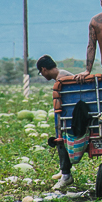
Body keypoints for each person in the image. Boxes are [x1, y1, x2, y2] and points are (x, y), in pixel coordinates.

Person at [36, 55, 77, 191]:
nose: (42, 75)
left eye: (41, 72)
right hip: (72, 114)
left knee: (60, 137)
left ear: (44, 69)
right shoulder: (62, 75)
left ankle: (66, 174)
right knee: (58, 128)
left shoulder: (62, 78)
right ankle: (64, 170)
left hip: (73, 116)